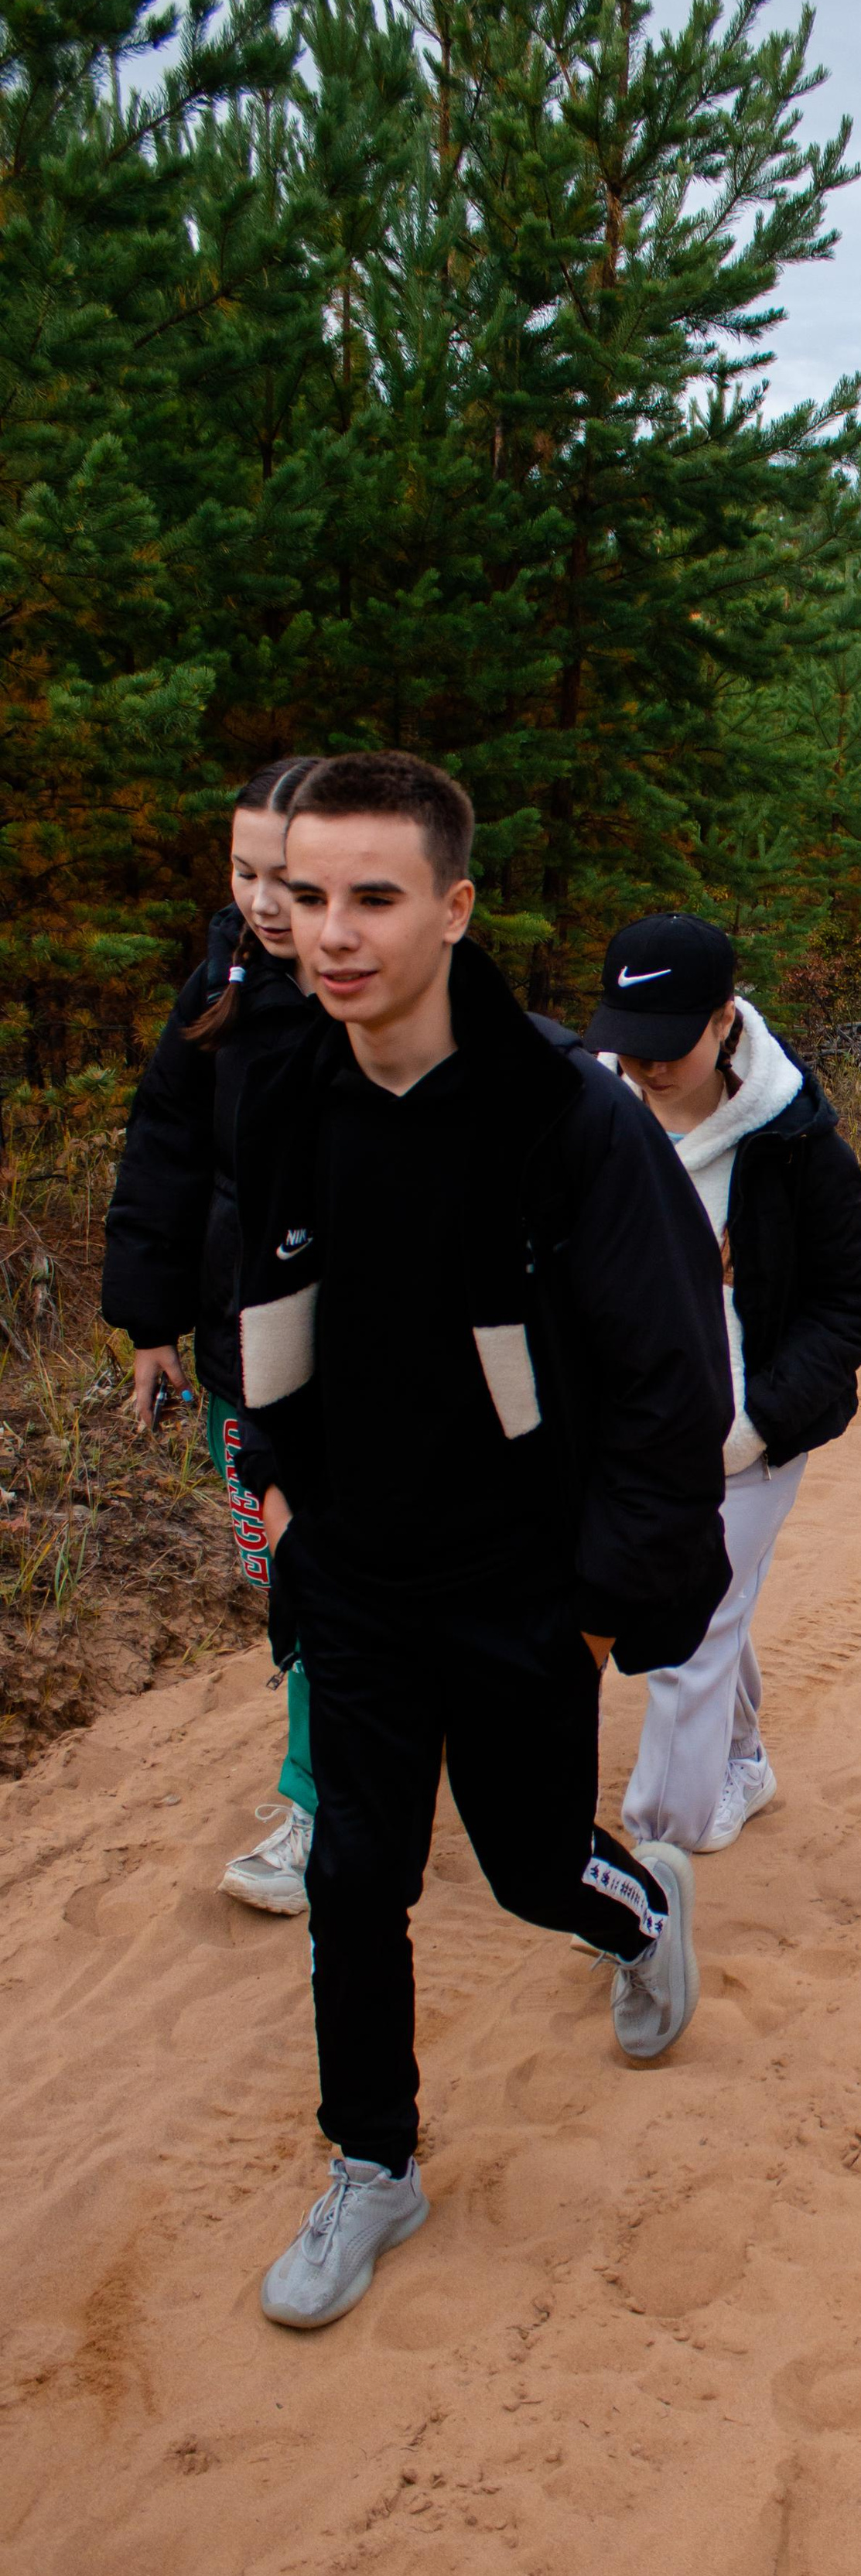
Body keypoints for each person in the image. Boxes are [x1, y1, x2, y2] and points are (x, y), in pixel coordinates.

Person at [231, 751, 732, 2331]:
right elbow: (254, 1298)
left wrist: (605, 1605)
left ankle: (640, 1905)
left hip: (521, 1584)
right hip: (361, 1577)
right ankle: (372, 2164)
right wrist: (274, 1476)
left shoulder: (567, 1120)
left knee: (529, 1871)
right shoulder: (286, 1087)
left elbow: (669, 1385)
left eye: (372, 896)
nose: (332, 932)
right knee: (354, 1882)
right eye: (305, 896)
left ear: (452, 907)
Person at [586, 913, 861, 1858]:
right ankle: (744, 1758)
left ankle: (655, 1863)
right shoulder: (584, 1123)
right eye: (626, 1045)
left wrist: (754, 1425)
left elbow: (852, 1302)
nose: (645, 1066)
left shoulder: (798, 1147)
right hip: (612, 1439)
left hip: (740, 1449)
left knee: (687, 1643)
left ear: (724, 1021)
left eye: (668, 1044)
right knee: (711, 1603)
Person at [101, 757, 323, 1913]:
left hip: (364, 1356)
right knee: (283, 1567)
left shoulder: (374, 996)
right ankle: (322, 1778)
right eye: (246, 872)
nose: (266, 900)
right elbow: (165, 1155)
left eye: (289, 876)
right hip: (242, 1350)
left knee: (338, 1568)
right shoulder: (218, 986)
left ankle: (323, 1796)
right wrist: (151, 1322)